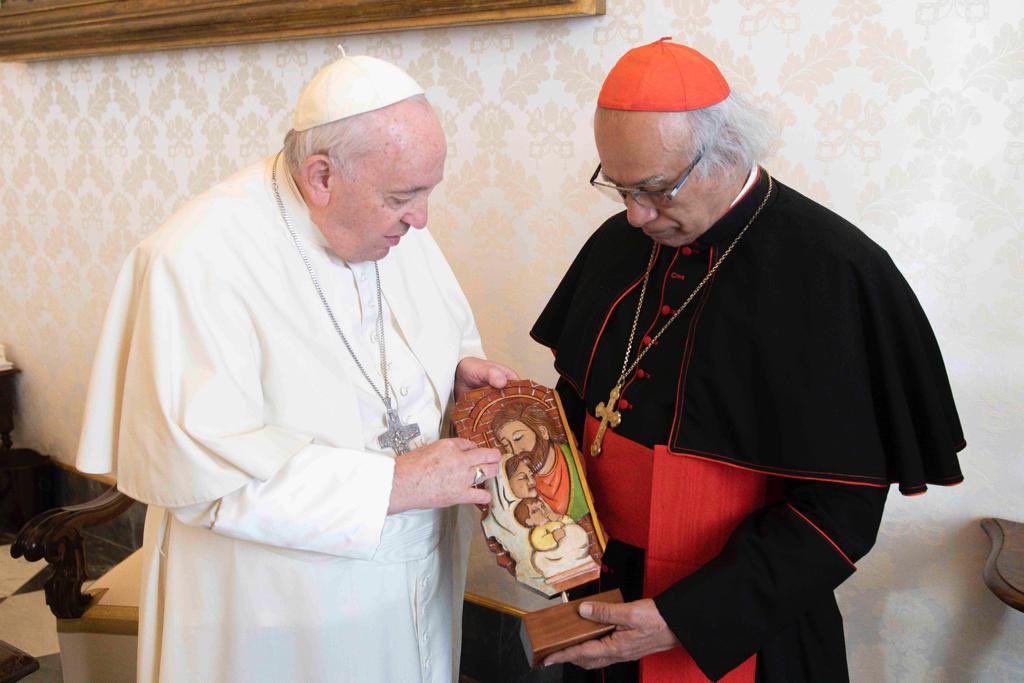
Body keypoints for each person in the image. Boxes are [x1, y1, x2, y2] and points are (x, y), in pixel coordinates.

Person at [532, 38, 965, 682]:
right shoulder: (620, 243)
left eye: (655, 189)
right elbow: (579, 400)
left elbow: (839, 512)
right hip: (607, 591)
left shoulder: (834, 272)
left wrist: (684, 617)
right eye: (618, 188)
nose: (635, 215)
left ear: (725, 151)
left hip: (742, 624)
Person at [74, 53, 516, 682]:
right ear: (320, 176)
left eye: (426, 192)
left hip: (413, 584)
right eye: (404, 197)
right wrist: (392, 486)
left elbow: (414, 343)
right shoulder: (195, 260)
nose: (422, 219)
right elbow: (206, 478)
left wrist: (453, 378)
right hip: (277, 608)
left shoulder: (391, 227)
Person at [492, 400, 588, 519]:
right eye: (506, 445)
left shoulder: (571, 458)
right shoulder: (521, 482)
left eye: (518, 438)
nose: (515, 451)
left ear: (543, 432)